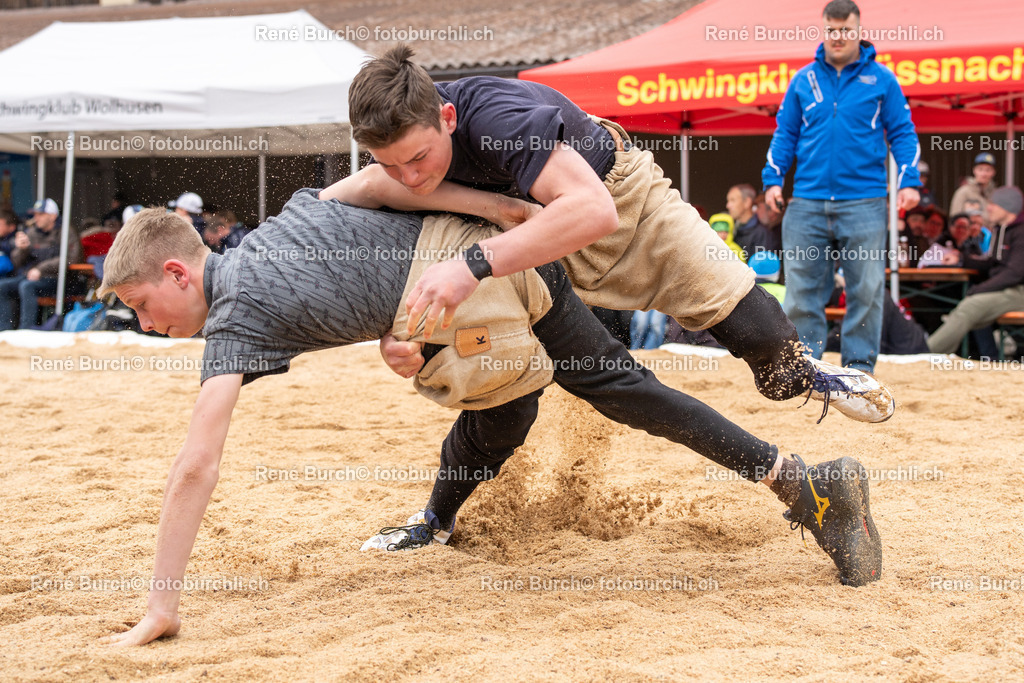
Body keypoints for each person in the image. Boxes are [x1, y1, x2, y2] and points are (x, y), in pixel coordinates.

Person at [98, 192, 883, 647]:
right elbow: (385, 194)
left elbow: (197, 462)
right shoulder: (294, 213)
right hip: (497, 256)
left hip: (480, 283)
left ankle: (809, 487)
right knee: (553, 398)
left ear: (177, 270)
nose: (143, 324)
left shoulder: (235, 313)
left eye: (141, 306)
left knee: (560, 390)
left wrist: (163, 602)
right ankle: (802, 484)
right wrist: (509, 223)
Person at [325, 43, 895, 424]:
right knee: (495, 390)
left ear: (447, 118)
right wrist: (400, 337)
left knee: (770, 357)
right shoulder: (400, 166)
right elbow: (366, 189)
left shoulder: (496, 117)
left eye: (419, 158)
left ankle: (810, 375)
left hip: (625, 205)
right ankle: (438, 516)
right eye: (392, 163)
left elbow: (593, 211)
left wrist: (473, 263)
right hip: (528, 240)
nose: (412, 177)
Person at [762, 0, 921, 373]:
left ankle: (859, 371)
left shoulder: (883, 79)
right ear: (824, 31)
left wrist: (908, 181)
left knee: (865, 292)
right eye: (831, 30)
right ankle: (805, 370)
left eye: (845, 30)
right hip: (806, 203)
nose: (838, 37)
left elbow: (903, 133)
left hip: (864, 202)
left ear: (858, 31)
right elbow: (785, 134)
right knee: (801, 294)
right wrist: (772, 179)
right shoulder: (803, 79)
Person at [927, 186, 1024, 354]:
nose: (988, 208)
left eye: (993, 204)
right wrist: (961, 258)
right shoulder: (1000, 230)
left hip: (1018, 292)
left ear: (1008, 207)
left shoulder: (1020, 232)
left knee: (970, 307)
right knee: (974, 311)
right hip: (1008, 290)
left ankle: (924, 354)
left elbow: (1014, 273)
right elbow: (991, 264)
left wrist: (980, 289)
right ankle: (989, 360)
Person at [0, 198, 82, 330]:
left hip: (58, 280)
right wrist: (22, 249)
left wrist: (41, 269)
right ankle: (4, 330)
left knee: (26, 286)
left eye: (40, 214)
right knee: (2, 286)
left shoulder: (66, 231)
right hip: (33, 277)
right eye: (35, 214)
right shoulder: (32, 232)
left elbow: (71, 258)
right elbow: (16, 262)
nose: (36, 218)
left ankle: (26, 330)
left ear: (53, 216)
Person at [727, 183, 780, 259]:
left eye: (732, 200)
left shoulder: (762, 234)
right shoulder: (731, 230)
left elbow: (761, 267)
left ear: (747, 202)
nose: (728, 205)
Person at [949, 153, 997, 219]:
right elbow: (954, 217)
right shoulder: (963, 192)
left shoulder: (996, 194)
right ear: (974, 170)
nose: (984, 174)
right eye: (980, 169)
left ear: (993, 172)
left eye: (988, 170)